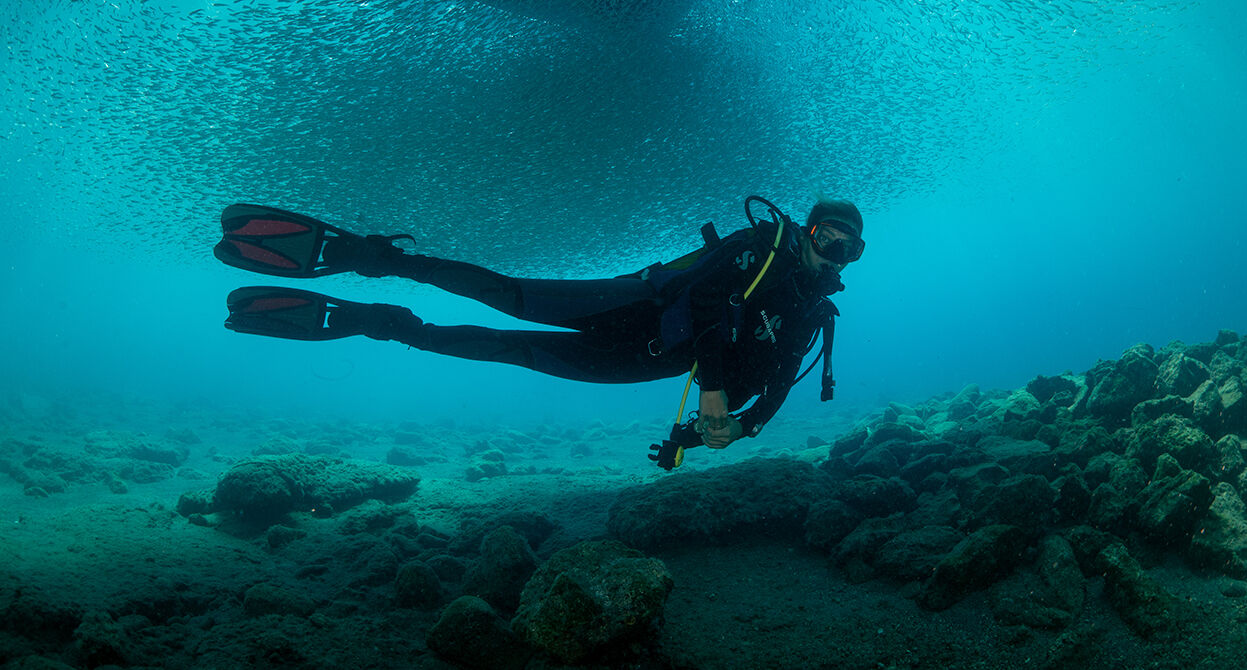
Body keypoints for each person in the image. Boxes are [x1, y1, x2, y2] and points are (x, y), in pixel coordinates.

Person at [215, 196, 864, 455]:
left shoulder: (814, 311)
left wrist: (719, 434)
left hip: (642, 361)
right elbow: (704, 308)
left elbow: (778, 383)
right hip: (628, 306)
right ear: (808, 230)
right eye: (829, 237)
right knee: (513, 297)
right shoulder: (757, 251)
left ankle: (381, 323)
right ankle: (376, 259)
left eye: (848, 249)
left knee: (510, 349)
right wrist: (717, 392)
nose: (834, 254)